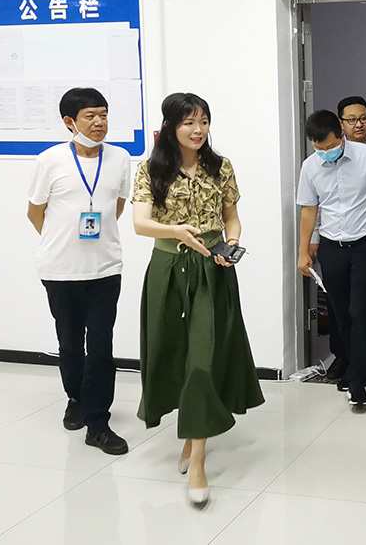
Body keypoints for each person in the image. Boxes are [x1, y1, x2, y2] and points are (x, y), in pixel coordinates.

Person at [132, 93, 265, 504]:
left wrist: (232, 242)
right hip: (168, 270)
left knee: (202, 361)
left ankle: (199, 461)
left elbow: (231, 218)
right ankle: (192, 435)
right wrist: (176, 231)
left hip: (211, 270)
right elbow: (140, 223)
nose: (198, 129)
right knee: (173, 355)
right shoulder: (150, 169)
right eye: (189, 122)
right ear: (171, 126)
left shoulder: (220, 167)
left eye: (204, 121)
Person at [27, 87, 130, 456]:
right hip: (60, 270)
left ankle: (98, 424)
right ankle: (76, 399)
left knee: (100, 347)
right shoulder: (50, 161)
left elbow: (117, 206)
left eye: (103, 114)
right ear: (70, 121)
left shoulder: (120, 158)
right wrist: (64, 242)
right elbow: (35, 212)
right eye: (90, 116)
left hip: (105, 268)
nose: (99, 122)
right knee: (70, 344)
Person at [297, 110, 366, 410]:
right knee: (340, 312)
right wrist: (303, 250)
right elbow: (309, 210)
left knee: (360, 310)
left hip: (365, 244)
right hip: (332, 246)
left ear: (341, 135)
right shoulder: (310, 166)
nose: (325, 153)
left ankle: (358, 379)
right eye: (319, 148)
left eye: (331, 147)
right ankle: (350, 362)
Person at [312, 96, 366, 377]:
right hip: (332, 238)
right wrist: (313, 238)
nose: (359, 124)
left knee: (362, 304)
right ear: (340, 123)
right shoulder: (321, 155)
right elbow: (317, 203)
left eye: (364, 118)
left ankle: (360, 356)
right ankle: (342, 356)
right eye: (352, 119)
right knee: (337, 303)